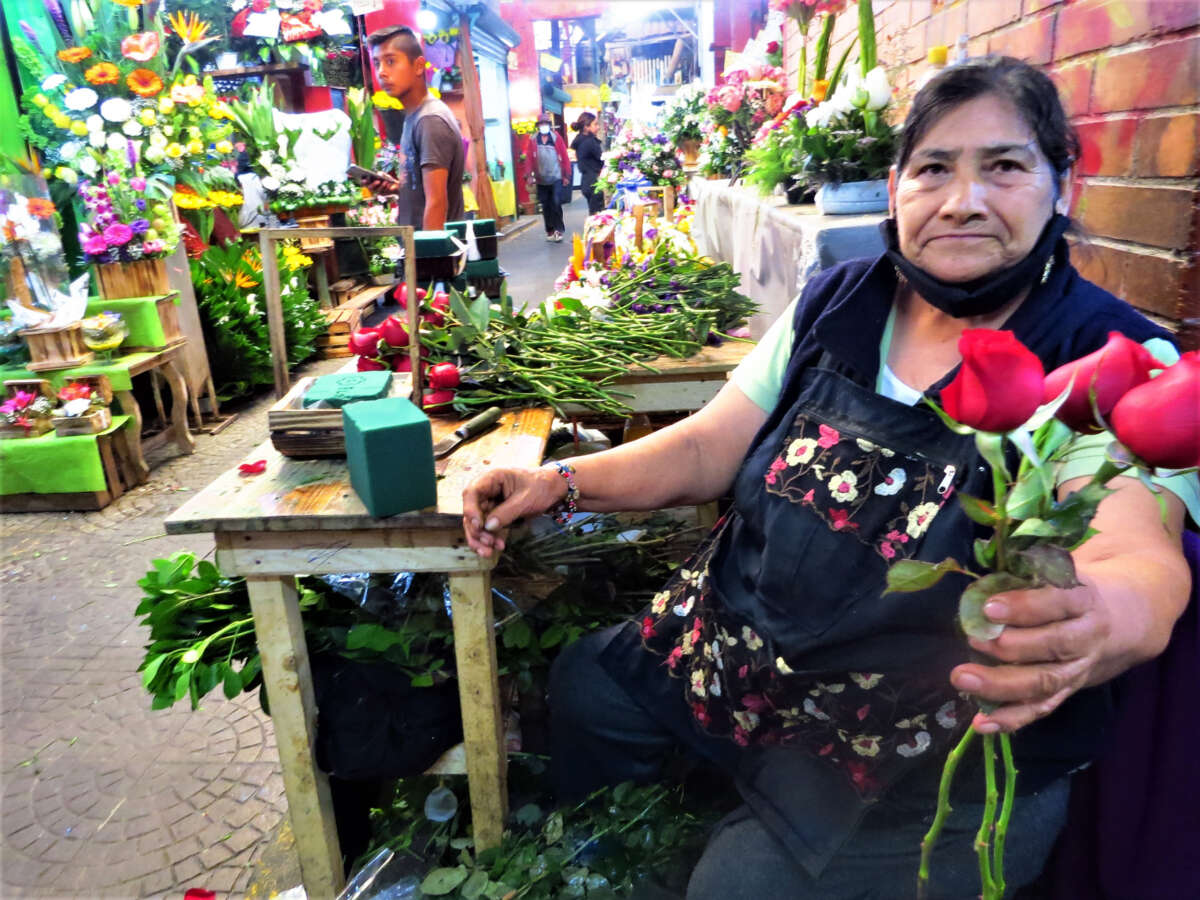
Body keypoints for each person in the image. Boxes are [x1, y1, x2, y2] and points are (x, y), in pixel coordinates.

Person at [462, 57, 1196, 898]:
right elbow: (710, 445)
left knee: (737, 889)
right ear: (895, 189)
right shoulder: (843, 299)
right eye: (933, 169)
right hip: (751, 654)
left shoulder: (1107, 357)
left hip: (925, 743)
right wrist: (560, 482)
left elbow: (1139, 550)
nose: (962, 201)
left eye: (1005, 166)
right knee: (589, 687)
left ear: (1062, 186)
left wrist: (1101, 618)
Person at [365, 25, 465, 229]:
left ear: (419, 66)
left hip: (432, 254)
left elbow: (437, 203)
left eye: (391, 61)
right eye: (377, 64)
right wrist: (397, 187)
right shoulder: (414, 116)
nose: (382, 72)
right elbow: (424, 191)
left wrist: (429, 259)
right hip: (416, 251)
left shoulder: (430, 120)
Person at [532, 115, 571, 242]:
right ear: (538, 125)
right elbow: (529, 158)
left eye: (546, 123)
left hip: (556, 176)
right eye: (541, 123)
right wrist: (528, 175)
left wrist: (566, 174)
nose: (544, 126)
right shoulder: (533, 139)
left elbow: (564, 156)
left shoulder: (556, 138)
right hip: (541, 179)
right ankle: (550, 230)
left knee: (556, 202)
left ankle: (559, 230)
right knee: (546, 205)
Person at [571, 112, 606, 216]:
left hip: (587, 181)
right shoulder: (589, 142)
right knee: (597, 215)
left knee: (594, 213)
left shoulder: (580, 140)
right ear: (586, 127)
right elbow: (601, 158)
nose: (598, 127)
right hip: (593, 181)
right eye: (595, 124)